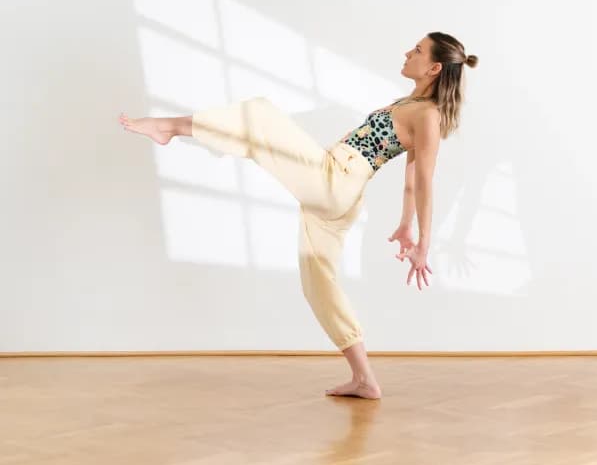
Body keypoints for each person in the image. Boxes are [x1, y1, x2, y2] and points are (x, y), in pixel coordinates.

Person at [118, 31, 478, 400]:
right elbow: (409, 180)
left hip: (337, 178)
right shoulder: (411, 104)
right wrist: (404, 225)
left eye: (417, 50)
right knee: (318, 283)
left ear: (434, 68)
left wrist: (424, 243)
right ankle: (364, 378)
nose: (407, 52)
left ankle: (169, 127)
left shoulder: (428, 116)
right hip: (339, 190)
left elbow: (424, 181)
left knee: (259, 113)